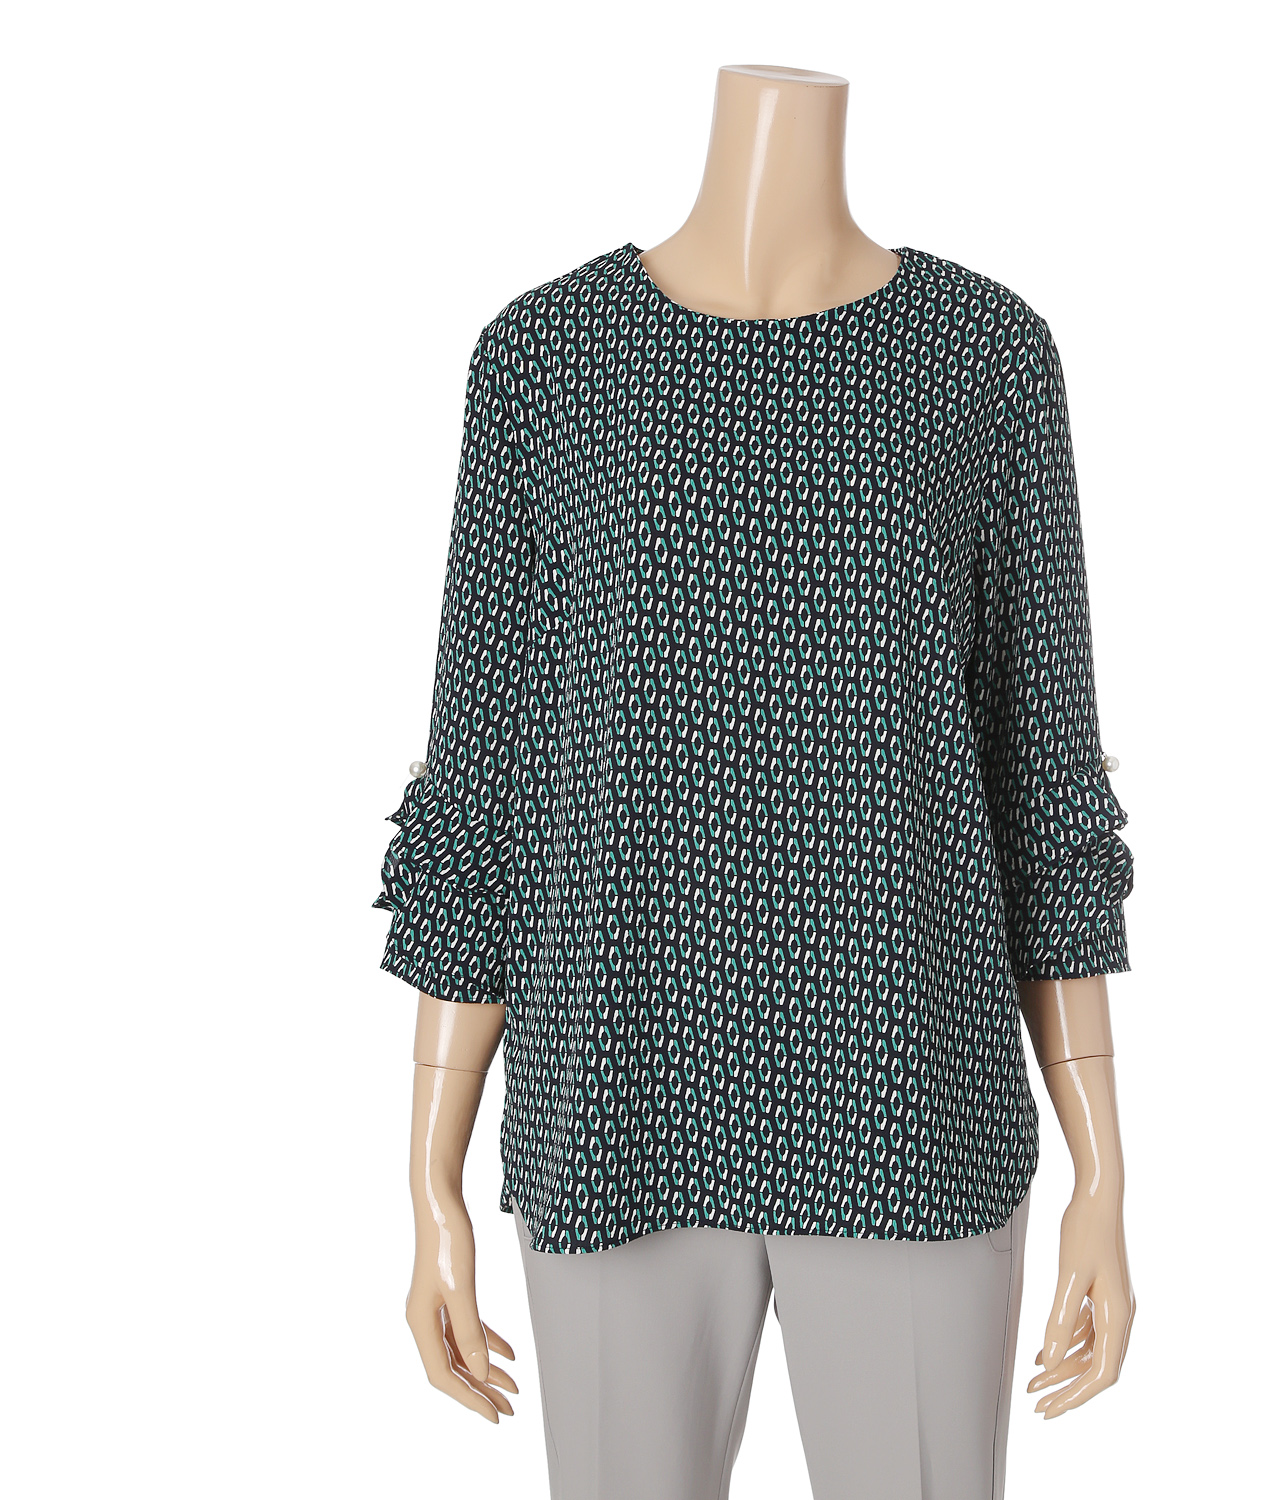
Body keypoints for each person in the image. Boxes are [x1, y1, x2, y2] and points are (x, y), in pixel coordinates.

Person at [377, 63, 1136, 1500]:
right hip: (615, 1079)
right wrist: (430, 1175)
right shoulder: (543, 362)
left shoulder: (984, 358)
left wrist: (1104, 1167)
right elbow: (481, 779)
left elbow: (1042, 777)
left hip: (910, 1085)